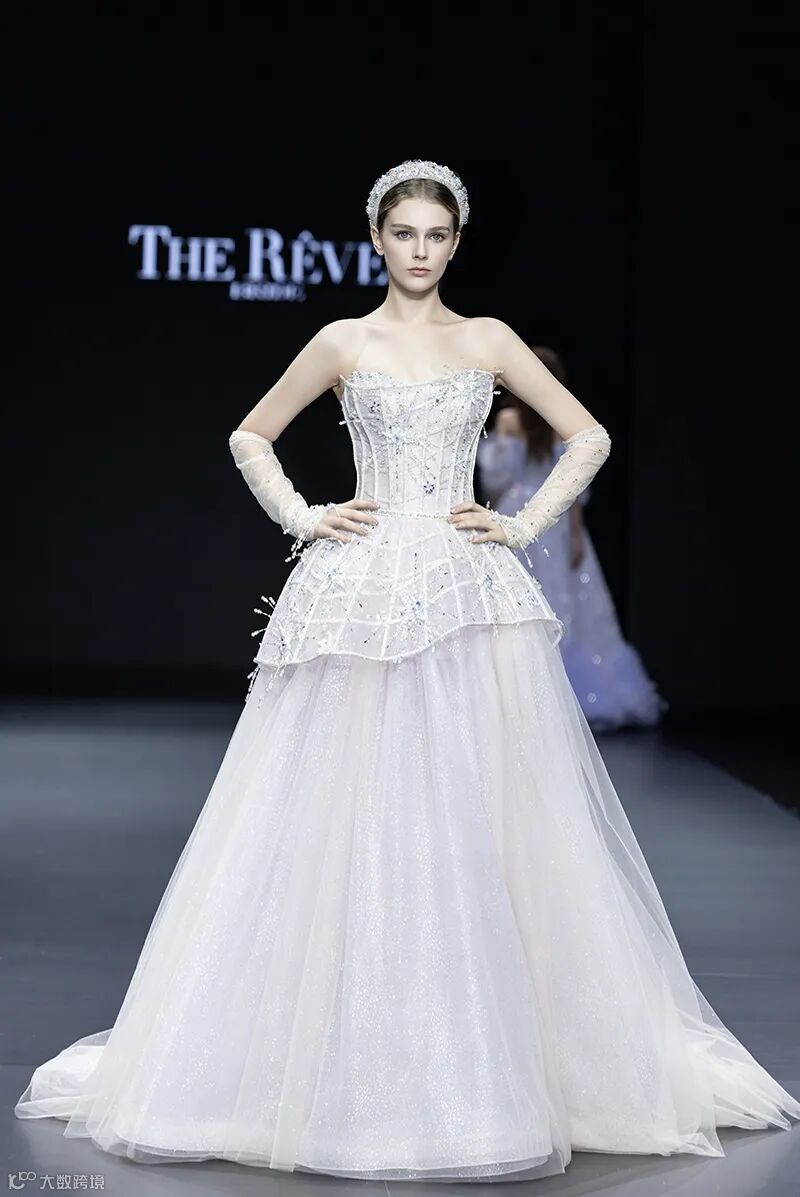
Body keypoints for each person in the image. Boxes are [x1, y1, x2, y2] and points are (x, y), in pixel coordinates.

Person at [14, 159, 800, 1183]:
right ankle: (331, 1052)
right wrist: (305, 516)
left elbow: (588, 436)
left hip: (464, 587)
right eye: (405, 234)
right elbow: (251, 434)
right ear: (377, 240)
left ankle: (489, 1053)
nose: (421, 250)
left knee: (481, 810)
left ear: (455, 243)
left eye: (436, 235)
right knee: (337, 808)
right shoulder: (343, 341)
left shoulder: (487, 340)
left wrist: (518, 524)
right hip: (360, 585)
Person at [477, 347, 664, 731]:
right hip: (536, 517)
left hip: (538, 515)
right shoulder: (526, 419)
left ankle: (546, 698)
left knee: (554, 604)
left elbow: (560, 485)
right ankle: (527, 697)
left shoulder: (544, 420)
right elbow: (502, 479)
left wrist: (576, 534)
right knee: (536, 602)